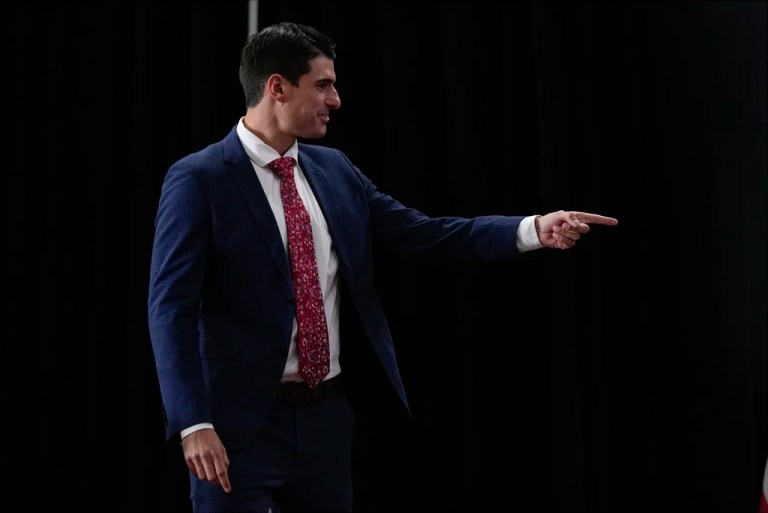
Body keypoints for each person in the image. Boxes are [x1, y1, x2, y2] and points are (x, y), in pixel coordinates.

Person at [147, 21, 619, 513]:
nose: (336, 100)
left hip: (325, 419)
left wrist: (533, 229)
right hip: (235, 426)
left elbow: (426, 233)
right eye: (323, 85)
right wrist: (193, 423)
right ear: (277, 87)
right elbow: (170, 309)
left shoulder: (335, 170)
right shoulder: (198, 179)